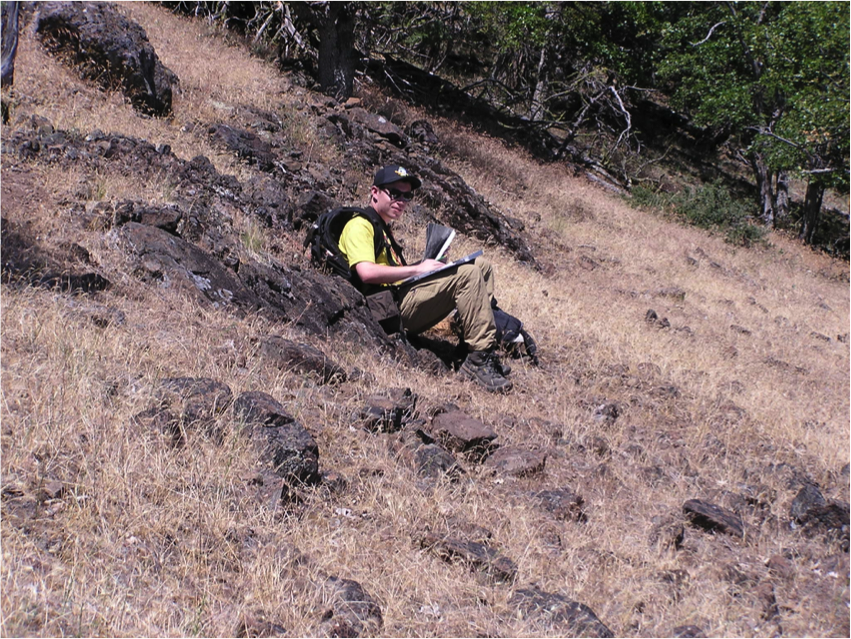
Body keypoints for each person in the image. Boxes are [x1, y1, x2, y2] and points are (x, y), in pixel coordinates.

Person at [338, 164, 513, 393]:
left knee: (480, 266)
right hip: (388, 309)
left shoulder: (382, 228)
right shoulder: (359, 225)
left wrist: (431, 268)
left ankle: (470, 347)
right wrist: (417, 270)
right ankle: (478, 360)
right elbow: (367, 273)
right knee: (467, 274)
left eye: (407, 195)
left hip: (399, 297)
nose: (401, 201)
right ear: (375, 192)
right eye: (394, 193)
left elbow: (395, 275)